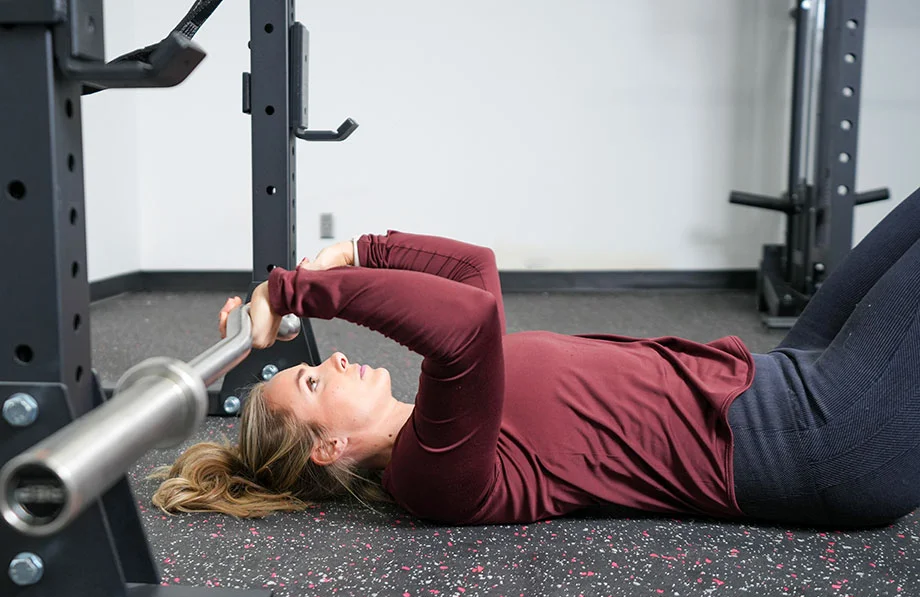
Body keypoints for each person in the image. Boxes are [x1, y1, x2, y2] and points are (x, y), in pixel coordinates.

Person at [152, 189, 920, 528]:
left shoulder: (444, 411)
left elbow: (473, 274)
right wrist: (298, 292)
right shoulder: (432, 477)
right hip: (823, 437)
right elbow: (465, 324)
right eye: (313, 379)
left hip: (784, 377)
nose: (336, 359)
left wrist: (359, 249)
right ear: (331, 449)